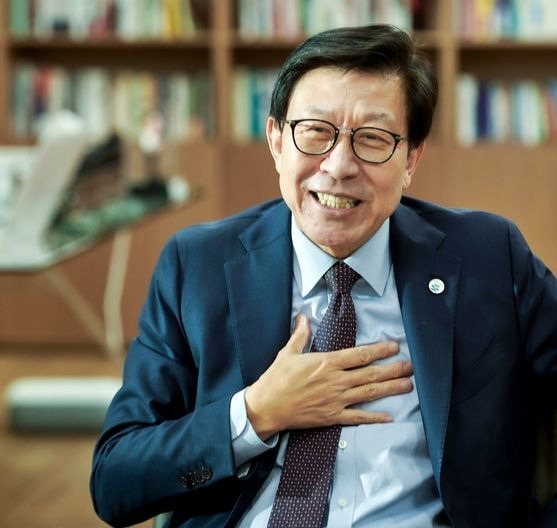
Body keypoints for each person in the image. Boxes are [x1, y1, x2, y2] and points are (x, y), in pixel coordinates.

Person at [90, 24, 557, 528]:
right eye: (315, 131)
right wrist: (254, 414)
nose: (338, 165)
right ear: (276, 141)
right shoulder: (196, 267)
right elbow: (115, 480)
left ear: (411, 158)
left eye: (373, 138)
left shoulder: (488, 258)